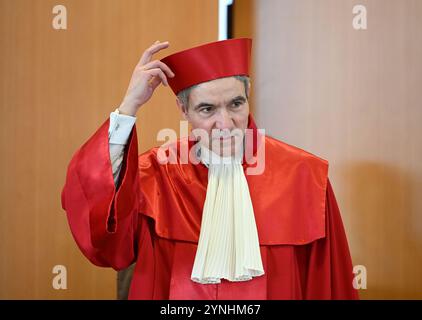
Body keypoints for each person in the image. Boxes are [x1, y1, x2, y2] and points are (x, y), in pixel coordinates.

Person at [61, 38, 359, 299]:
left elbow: (328, 282)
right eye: (207, 109)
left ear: (248, 100)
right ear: (183, 110)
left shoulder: (303, 175)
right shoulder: (155, 174)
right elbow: (103, 232)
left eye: (236, 104)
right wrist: (129, 107)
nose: (226, 123)